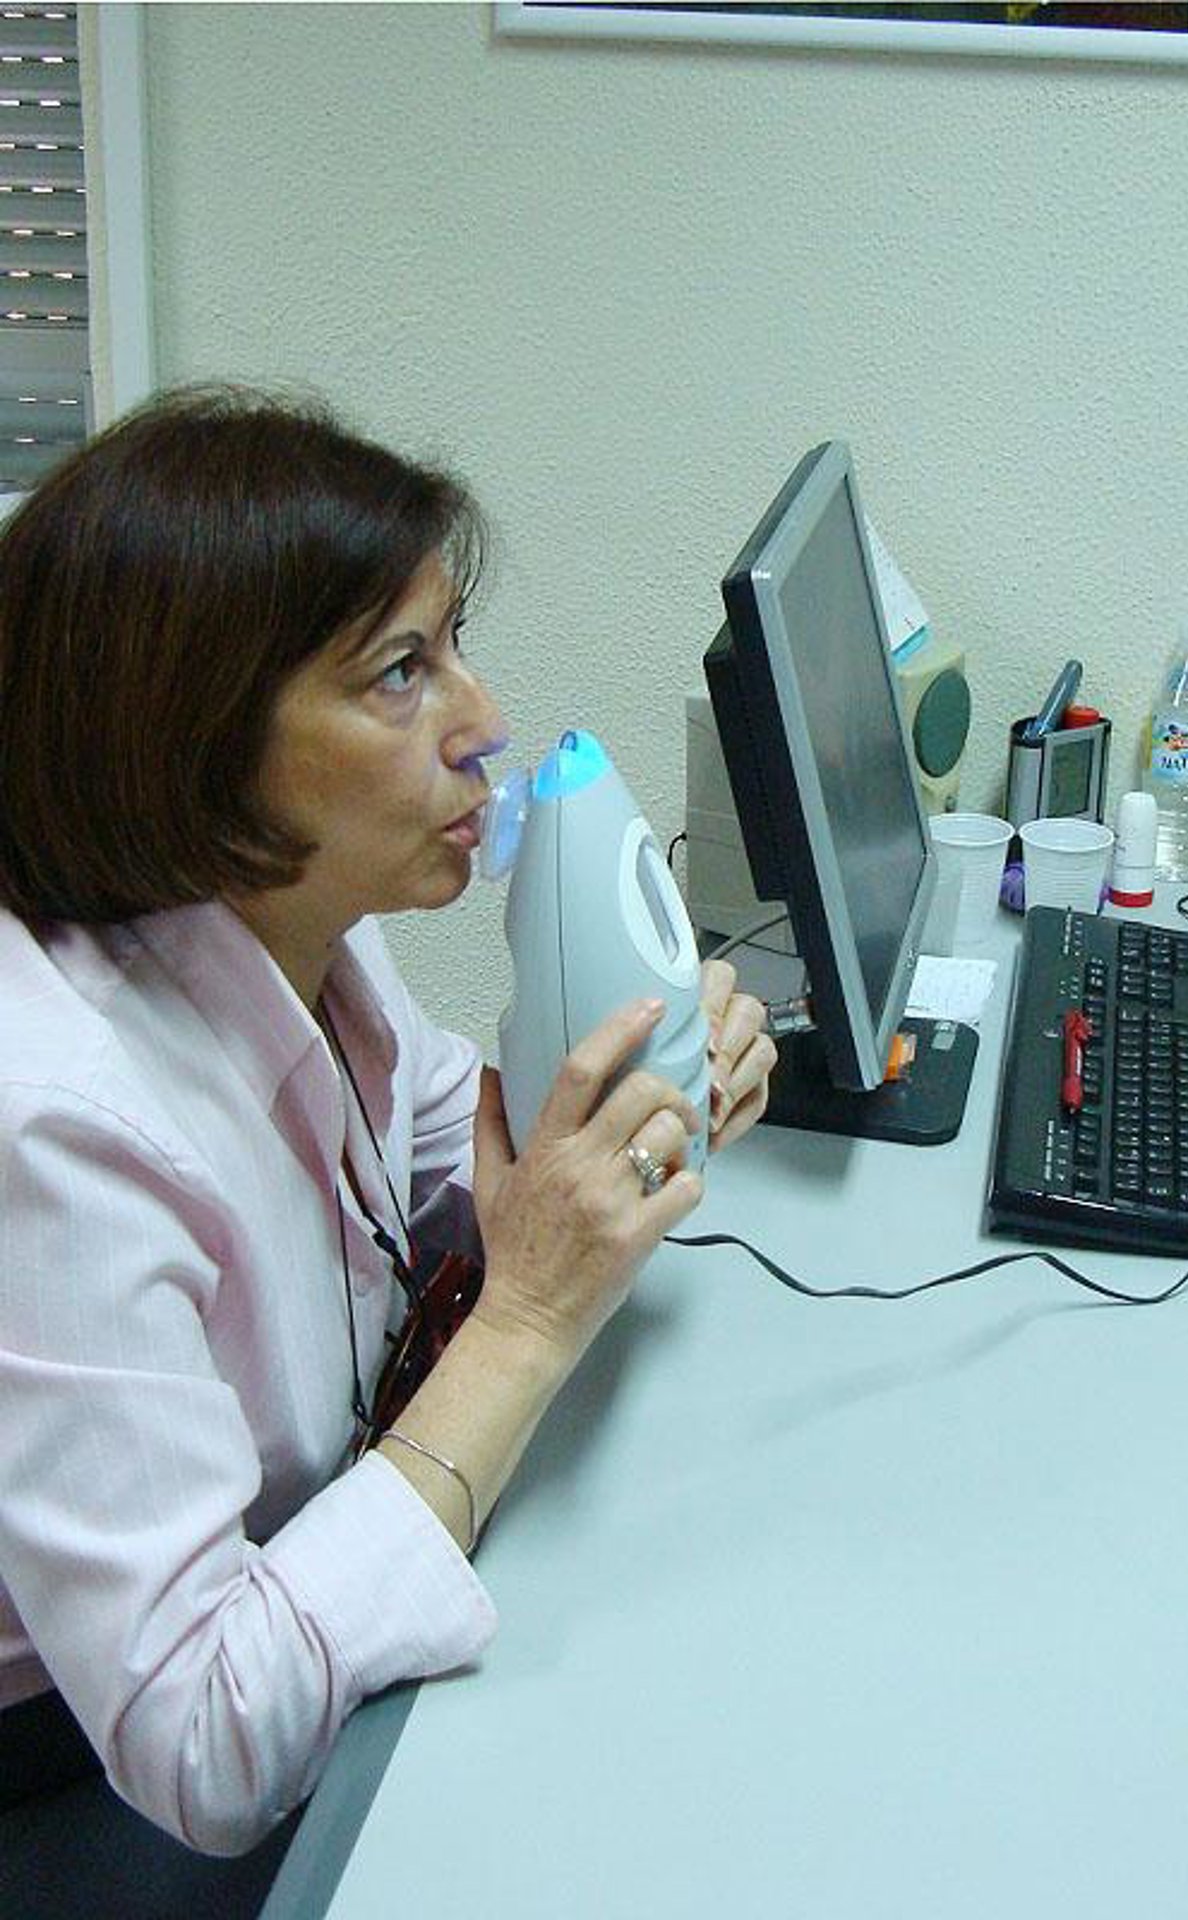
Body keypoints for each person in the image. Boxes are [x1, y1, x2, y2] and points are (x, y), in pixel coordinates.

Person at [0, 387, 777, 1860]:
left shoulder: (303, 931)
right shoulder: (48, 1126)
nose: (485, 724)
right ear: (191, 743)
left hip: (286, 1596)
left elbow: (466, 1168)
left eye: (453, 644)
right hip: (69, 1776)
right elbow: (201, 1745)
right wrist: (528, 1321)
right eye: (403, 674)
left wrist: (653, 1081)